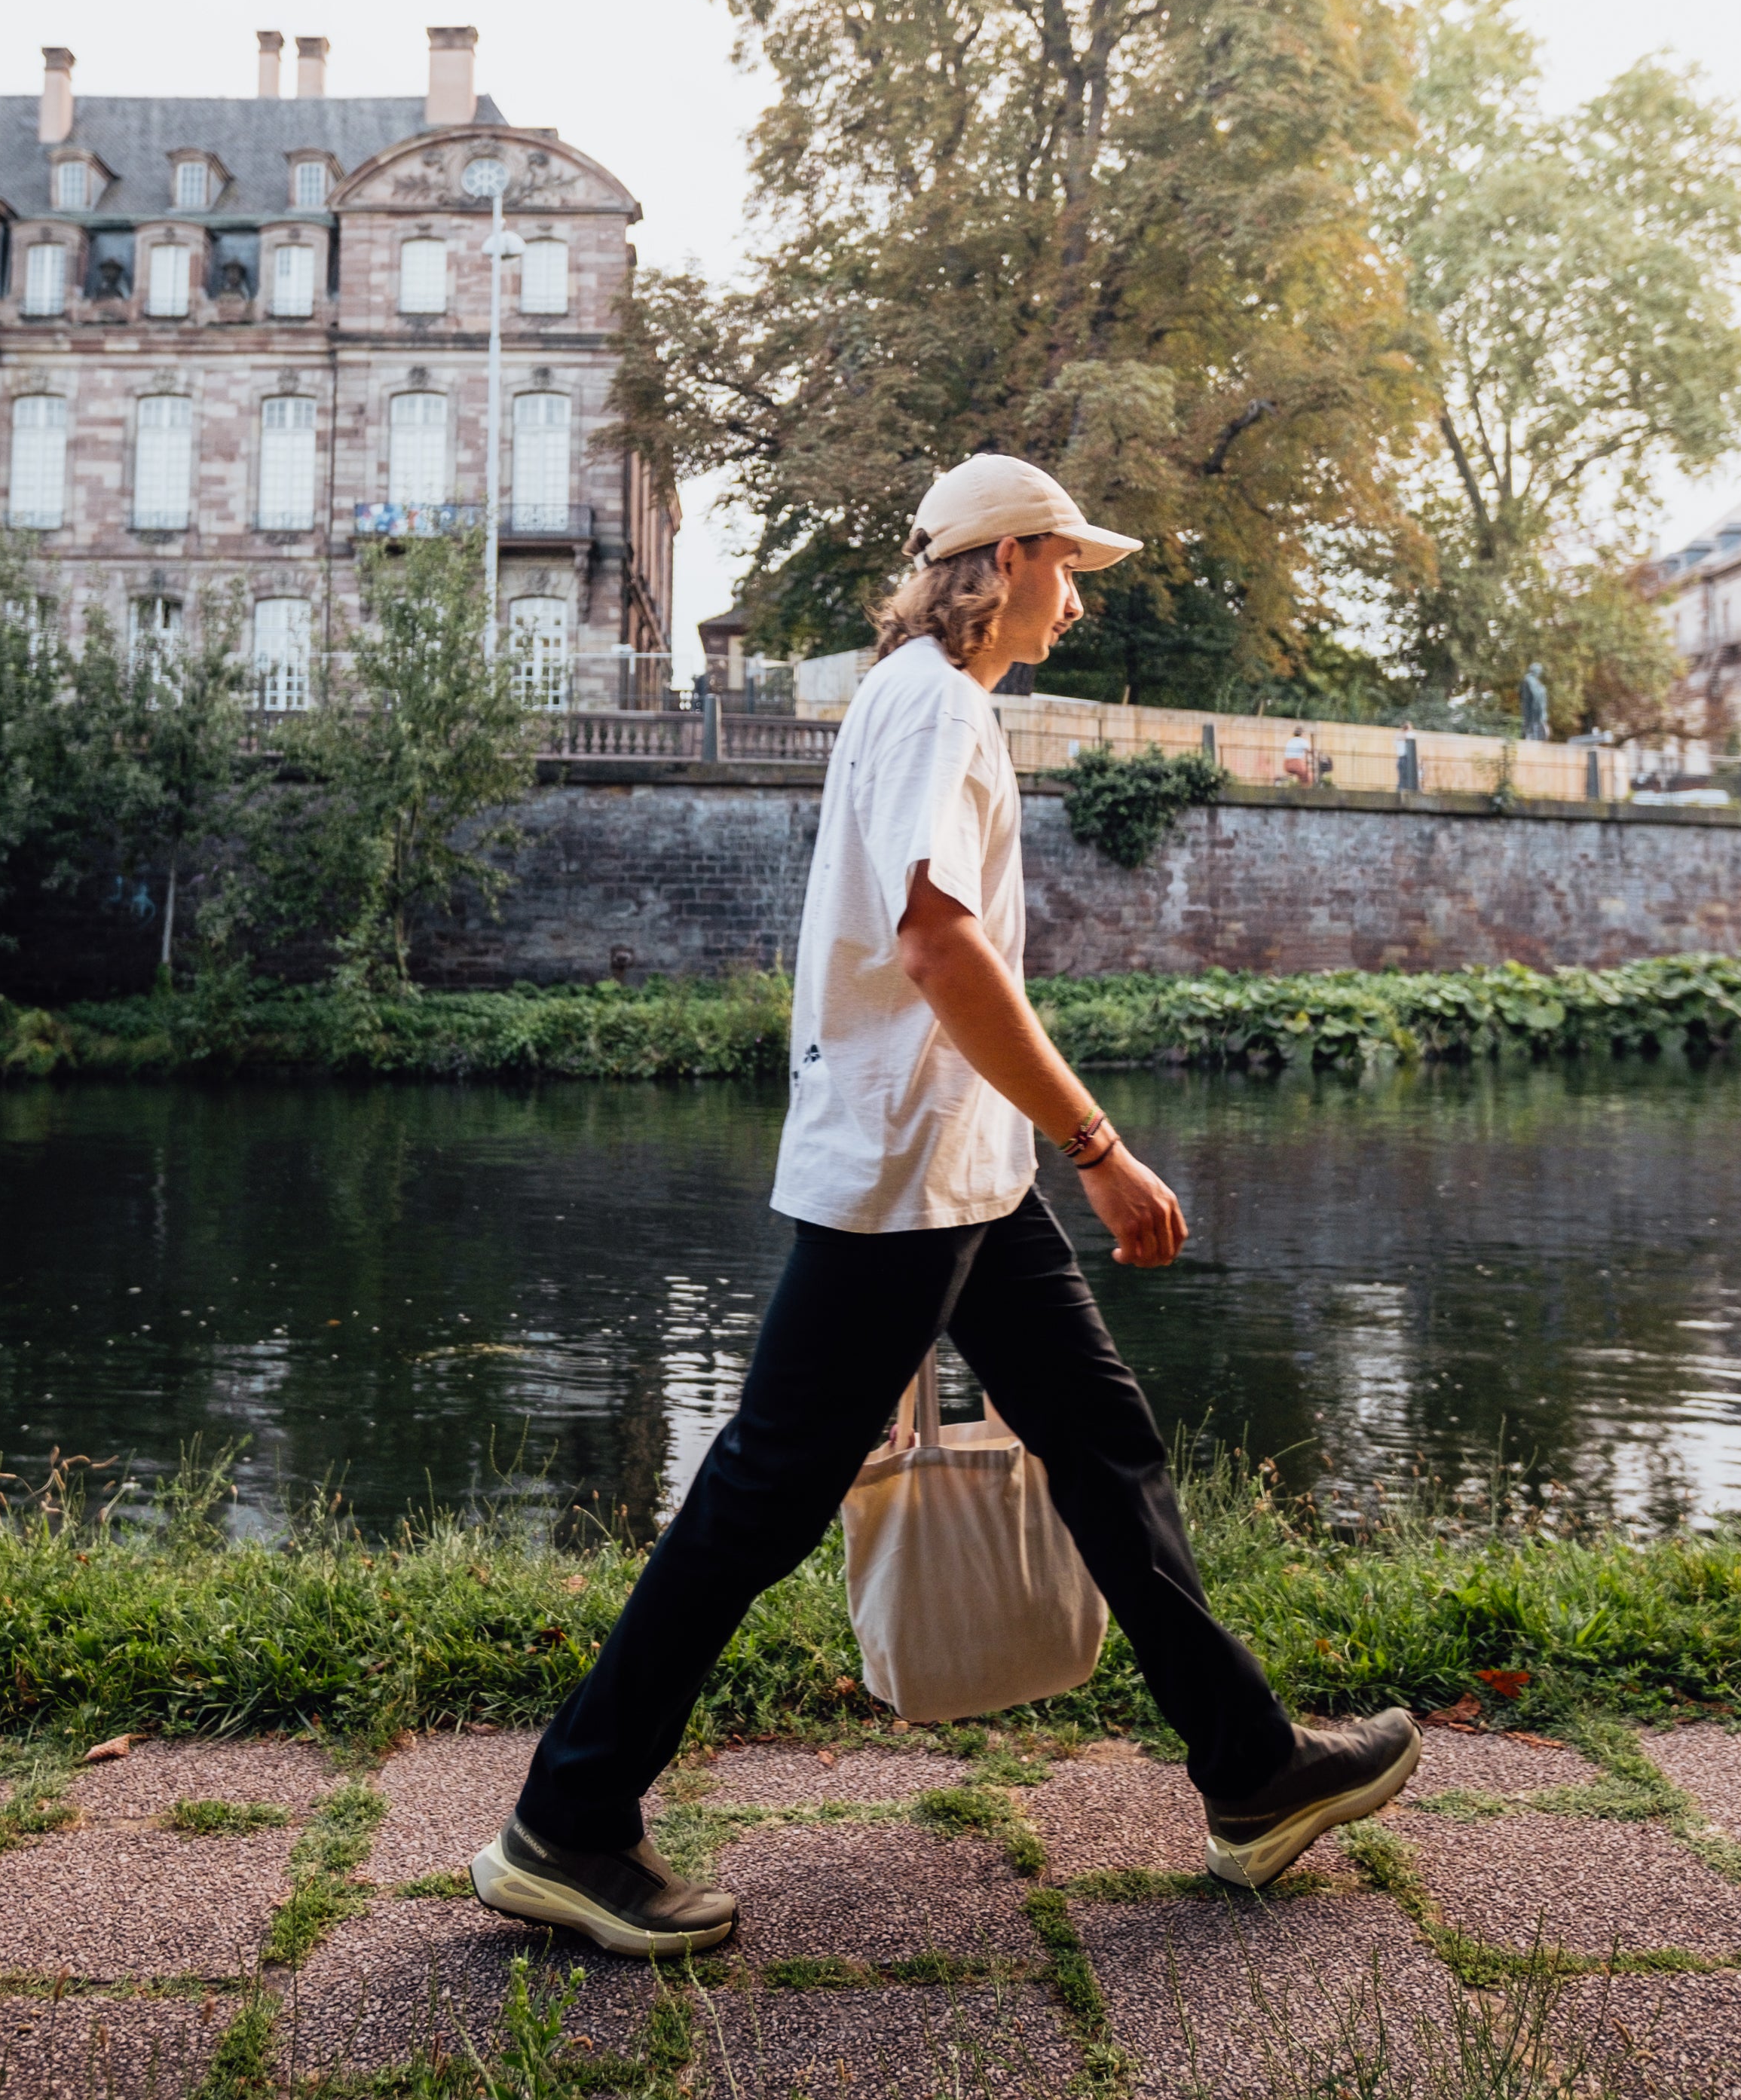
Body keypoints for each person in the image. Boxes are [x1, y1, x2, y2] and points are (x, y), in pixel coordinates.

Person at [470, 455, 1420, 1960]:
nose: (1082, 592)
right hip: (910, 1175)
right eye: (1071, 565)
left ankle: (1250, 1771)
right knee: (764, 1493)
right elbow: (937, 946)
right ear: (1014, 556)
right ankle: (567, 1816)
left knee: (1103, 1442)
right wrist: (1098, 1139)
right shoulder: (935, 702)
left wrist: (1044, 1146)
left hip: (961, 1167)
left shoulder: (920, 695)